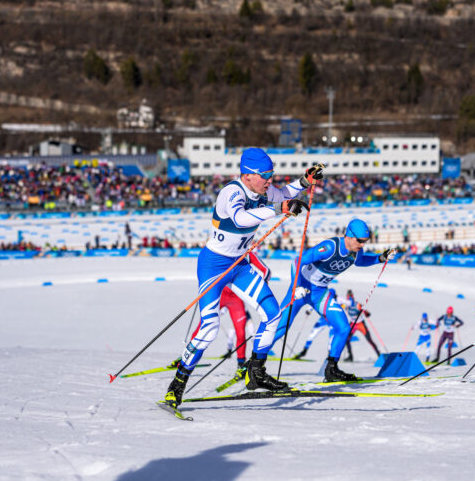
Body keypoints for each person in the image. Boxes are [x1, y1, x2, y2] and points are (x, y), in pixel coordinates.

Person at [163, 148, 323, 409]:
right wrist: (279, 208)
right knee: (210, 328)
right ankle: (177, 384)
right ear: (248, 175)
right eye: (266, 175)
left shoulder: (263, 190)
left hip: (240, 264)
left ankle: (255, 372)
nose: (270, 180)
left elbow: (284, 194)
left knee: (272, 313)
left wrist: (304, 182)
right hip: (214, 265)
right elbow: (239, 219)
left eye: (272, 174)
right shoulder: (232, 192)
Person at [261, 219, 393, 382]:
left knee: (344, 327)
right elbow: (298, 261)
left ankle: (332, 369)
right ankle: (255, 366)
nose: (362, 245)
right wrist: (296, 286)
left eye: (365, 242)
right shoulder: (330, 247)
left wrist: (381, 258)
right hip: (302, 289)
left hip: (320, 293)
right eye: (360, 241)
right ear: (350, 236)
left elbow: (361, 261)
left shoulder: (355, 252)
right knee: (280, 328)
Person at [187, 251, 270, 383]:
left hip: (236, 299)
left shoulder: (247, 253)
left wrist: (260, 290)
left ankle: (241, 365)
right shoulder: (221, 250)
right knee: (203, 326)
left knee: (240, 331)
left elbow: (266, 271)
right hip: (219, 295)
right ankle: (187, 356)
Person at [340, 290, 380, 362]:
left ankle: (379, 354)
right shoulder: (345, 305)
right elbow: (340, 308)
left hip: (360, 323)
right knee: (346, 339)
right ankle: (350, 356)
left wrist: (365, 313)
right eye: (348, 296)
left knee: (369, 340)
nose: (349, 298)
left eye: (351, 296)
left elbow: (366, 312)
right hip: (353, 323)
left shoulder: (357, 304)